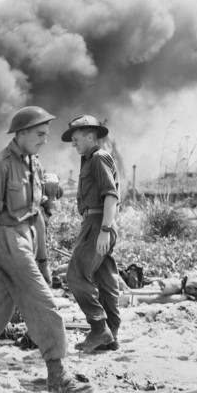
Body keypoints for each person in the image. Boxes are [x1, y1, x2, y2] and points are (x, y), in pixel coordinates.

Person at [0, 106, 92, 393]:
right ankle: (56, 373)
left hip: (25, 240)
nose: (44, 140)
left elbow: (37, 214)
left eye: (46, 135)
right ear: (22, 133)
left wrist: (44, 259)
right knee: (43, 303)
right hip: (7, 242)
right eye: (39, 134)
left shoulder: (34, 164)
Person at [61, 115, 121, 352]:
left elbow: (111, 195)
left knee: (75, 275)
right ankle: (111, 335)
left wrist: (105, 230)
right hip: (96, 222)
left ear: (89, 135)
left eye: (76, 139)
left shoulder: (98, 158)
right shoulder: (89, 160)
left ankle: (99, 328)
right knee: (105, 280)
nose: (73, 145)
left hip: (98, 223)